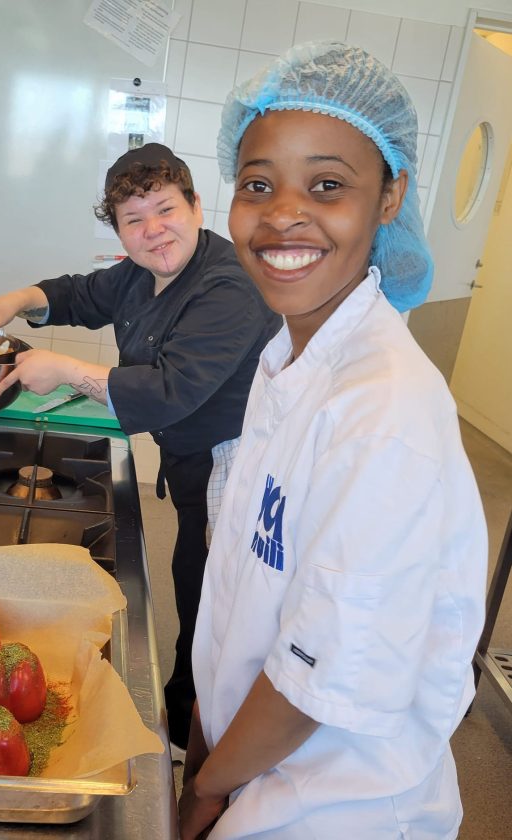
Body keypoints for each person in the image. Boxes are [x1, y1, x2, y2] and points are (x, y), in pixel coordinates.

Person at [179, 42, 488, 839]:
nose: (283, 213)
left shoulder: (385, 411)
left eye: (328, 185)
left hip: (335, 808)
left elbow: (320, 675)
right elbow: (250, 590)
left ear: (390, 198)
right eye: (257, 184)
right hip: (254, 770)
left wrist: (204, 790)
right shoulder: (293, 356)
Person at [0, 143, 281, 751]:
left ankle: (204, 735)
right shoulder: (143, 270)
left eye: (165, 210)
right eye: (133, 220)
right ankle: (187, 715)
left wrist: (64, 368)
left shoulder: (228, 285)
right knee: (191, 572)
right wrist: (19, 300)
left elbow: (170, 390)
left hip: (234, 459)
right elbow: (84, 293)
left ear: (195, 205)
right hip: (191, 455)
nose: (152, 231)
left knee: (216, 597)